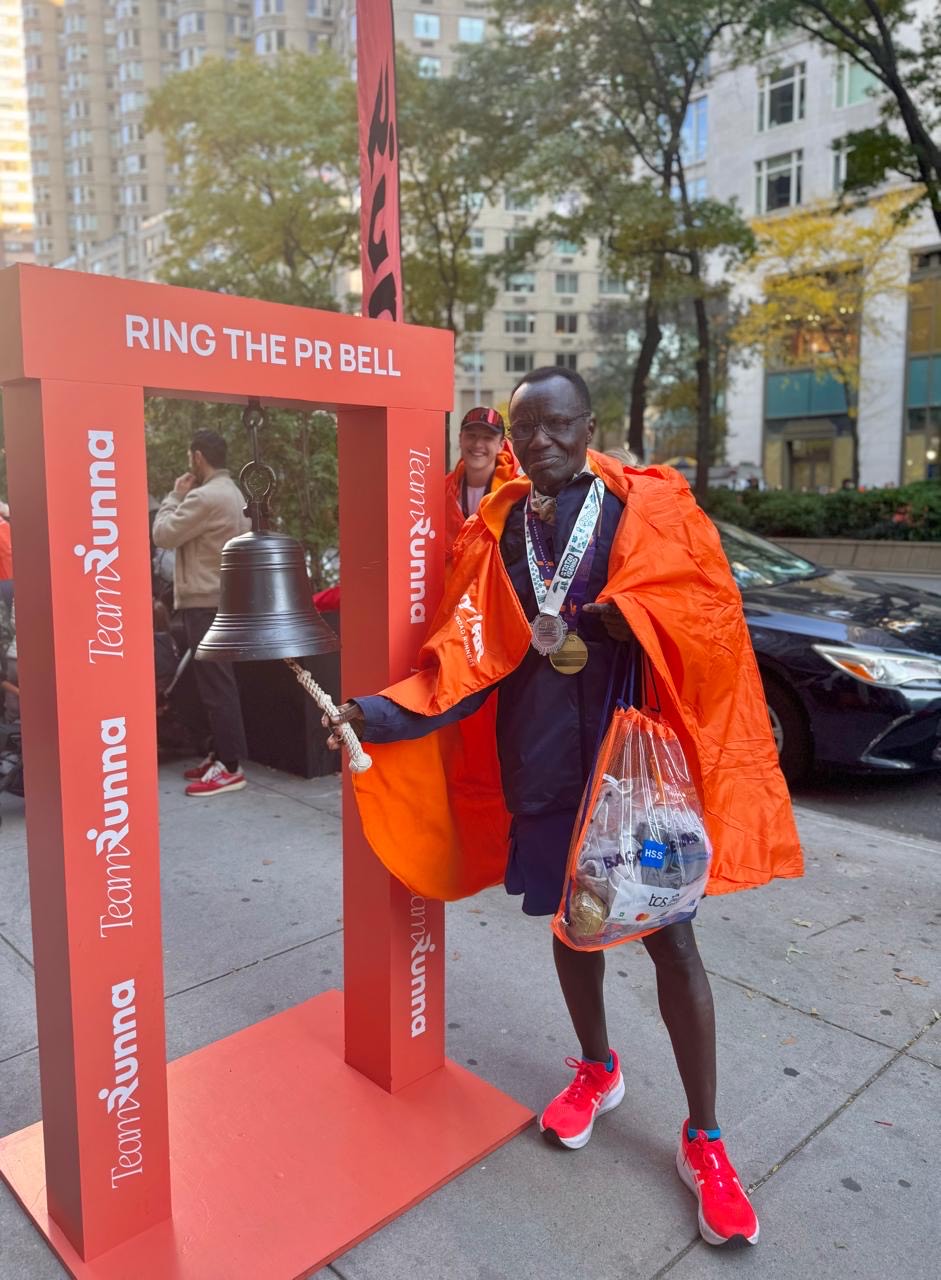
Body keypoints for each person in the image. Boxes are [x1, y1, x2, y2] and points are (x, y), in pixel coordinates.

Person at [326, 367, 802, 1247]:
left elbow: (706, 614)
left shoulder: (647, 509)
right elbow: (467, 658)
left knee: (673, 942)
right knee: (570, 925)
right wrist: (378, 715)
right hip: (542, 769)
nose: (540, 442)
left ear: (589, 424)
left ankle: (703, 1137)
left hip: (636, 775)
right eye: (525, 428)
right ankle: (597, 1068)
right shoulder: (498, 529)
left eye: (557, 425)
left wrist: (629, 615)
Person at [152, 429, 250, 796]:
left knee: (215, 686)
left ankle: (230, 766)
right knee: (214, 683)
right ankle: (222, 755)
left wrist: (175, 495)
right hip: (224, 598)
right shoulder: (234, 493)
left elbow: (163, 534)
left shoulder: (203, 497)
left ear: (197, 457)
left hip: (204, 602)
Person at [444, 406, 520, 556]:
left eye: (487, 438)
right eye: (471, 436)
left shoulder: (517, 492)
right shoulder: (441, 489)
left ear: (501, 445)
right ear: (460, 439)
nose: (478, 444)